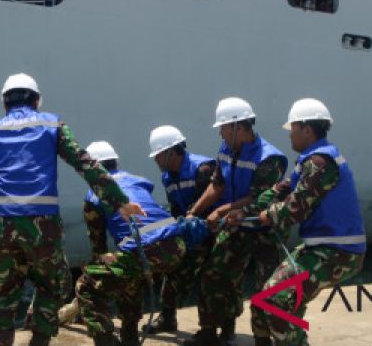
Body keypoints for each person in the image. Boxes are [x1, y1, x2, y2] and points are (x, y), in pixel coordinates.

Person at [0, 74, 141, 346]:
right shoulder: (51, 124)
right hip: (42, 227)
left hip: (1, 230)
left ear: (4, 103)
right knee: (52, 284)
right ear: (37, 101)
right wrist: (120, 202)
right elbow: (85, 163)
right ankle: (39, 340)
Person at [233, 99, 365, 346]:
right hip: (318, 248)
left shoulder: (320, 163)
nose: (290, 134)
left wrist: (269, 215)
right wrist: (244, 212)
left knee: (276, 299)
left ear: (306, 129)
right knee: (263, 300)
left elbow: (296, 208)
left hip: (338, 252)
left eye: (292, 128)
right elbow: (280, 190)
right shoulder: (308, 161)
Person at [76, 140, 208, 346]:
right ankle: (130, 337)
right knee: (130, 274)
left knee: (86, 284)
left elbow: (98, 247)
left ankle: (105, 340)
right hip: (176, 246)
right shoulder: (137, 181)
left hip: (146, 250)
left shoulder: (94, 194)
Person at [183, 97, 288, 346]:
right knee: (214, 273)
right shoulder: (226, 149)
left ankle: (266, 339)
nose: (220, 132)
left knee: (266, 289)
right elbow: (217, 185)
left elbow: (258, 198)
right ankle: (212, 331)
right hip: (235, 224)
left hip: (264, 228)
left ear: (238, 127)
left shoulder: (269, 158)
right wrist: (194, 212)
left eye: (222, 127)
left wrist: (220, 213)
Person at [145, 125, 218, 334]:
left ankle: (215, 330)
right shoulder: (167, 177)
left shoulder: (202, 169)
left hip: (214, 233)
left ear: (170, 152)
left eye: (158, 155)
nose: (156, 160)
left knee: (212, 280)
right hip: (191, 234)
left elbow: (210, 203)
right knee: (172, 272)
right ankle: (168, 319)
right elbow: (177, 210)